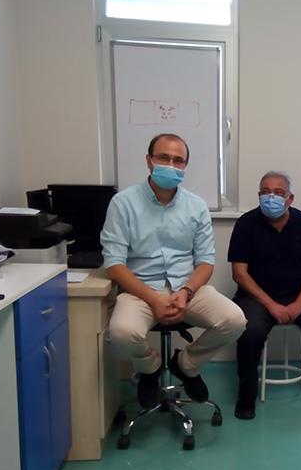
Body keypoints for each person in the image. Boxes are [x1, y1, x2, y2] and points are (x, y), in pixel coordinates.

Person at [101, 133, 247, 409]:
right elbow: (114, 265)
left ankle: (186, 365)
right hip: (140, 290)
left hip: (187, 288)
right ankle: (150, 367)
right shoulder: (123, 203)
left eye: (178, 160)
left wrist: (186, 292)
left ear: (185, 166)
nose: (171, 165)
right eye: (164, 158)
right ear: (149, 161)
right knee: (121, 332)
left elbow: (205, 262)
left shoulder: (196, 206)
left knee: (234, 320)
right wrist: (153, 299)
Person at [228, 171, 301, 420]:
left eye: (279, 193)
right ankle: (246, 396)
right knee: (250, 332)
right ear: (258, 195)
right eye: (265, 192)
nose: (271, 197)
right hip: (255, 298)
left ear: (290, 198)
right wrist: (272, 305)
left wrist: (299, 304)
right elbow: (239, 273)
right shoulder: (246, 224)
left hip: (297, 295)